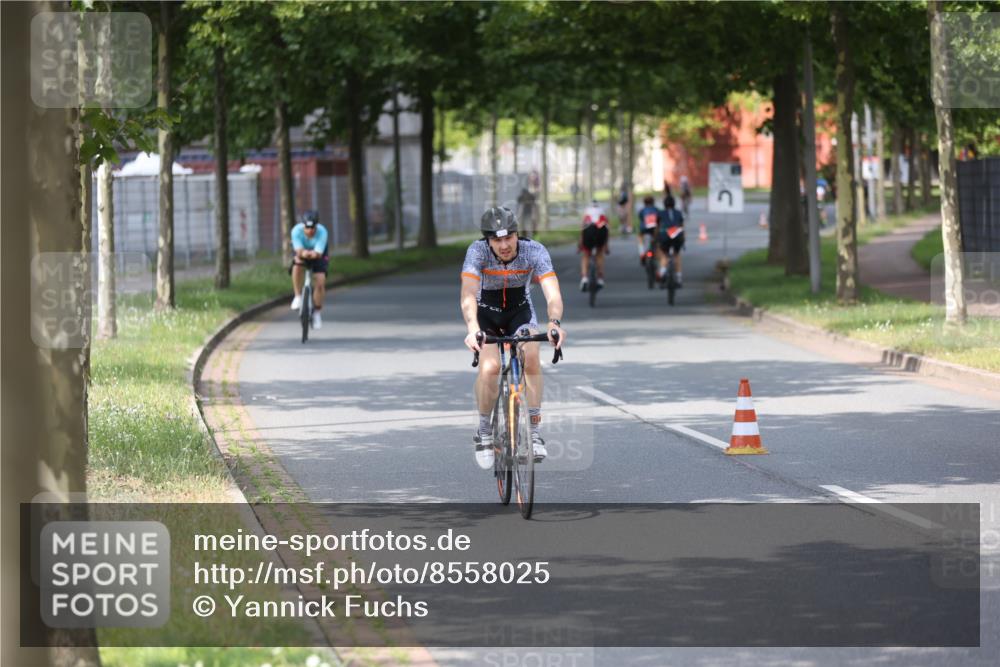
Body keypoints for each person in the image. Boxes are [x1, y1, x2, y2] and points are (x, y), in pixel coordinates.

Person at [461, 207, 565, 470]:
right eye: (497, 240)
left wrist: (554, 323)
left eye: (509, 238)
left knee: (531, 356)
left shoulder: (534, 251)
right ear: (488, 241)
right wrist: (473, 328)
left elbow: (552, 292)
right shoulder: (477, 252)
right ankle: (485, 432)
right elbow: (468, 294)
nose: (504, 245)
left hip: (520, 312)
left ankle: (534, 433)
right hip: (486, 315)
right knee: (490, 367)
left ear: (518, 234)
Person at [289, 210, 328, 329]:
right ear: (303, 225)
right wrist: (303, 253)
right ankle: (297, 296)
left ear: (317, 226)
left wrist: (311, 253)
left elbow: (318, 253)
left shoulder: (322, 232)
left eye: (313, 228)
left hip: (318, 254)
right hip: (302, 252)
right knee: (297, 265)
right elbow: (299, 250)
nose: (310, 231)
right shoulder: (296, 231)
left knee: (320, 281)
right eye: (307, 228)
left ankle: (317, 312)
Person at [579, 199, 610, 291]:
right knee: (600, 254)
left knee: (586, 255)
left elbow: (582, 227)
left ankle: (584, 278)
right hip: (601, 231)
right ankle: (600, 279)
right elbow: (607, 228)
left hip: (588, 231)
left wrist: (580, 243)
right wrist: (606, 246)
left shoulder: (587, 211)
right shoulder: (603, 211)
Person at [657, 196, 685, 288]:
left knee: (664, 255)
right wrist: (683, 240)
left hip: (665, 235)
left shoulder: (660, 213)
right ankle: (679, 278)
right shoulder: (678, 213)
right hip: (677, 235)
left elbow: (657, 227)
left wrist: (657, 237)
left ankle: (662, 273)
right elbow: (682, 227)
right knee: (677, 255)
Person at [635, 195, 661, 265]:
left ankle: (642, 252)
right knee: (657, 240)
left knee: (640, 236)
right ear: (653, 202)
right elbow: (659, 219)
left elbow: (641, 218)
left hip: (644, 228)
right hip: (654, 228)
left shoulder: (642, 210)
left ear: (644, 203)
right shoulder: (656, 209)